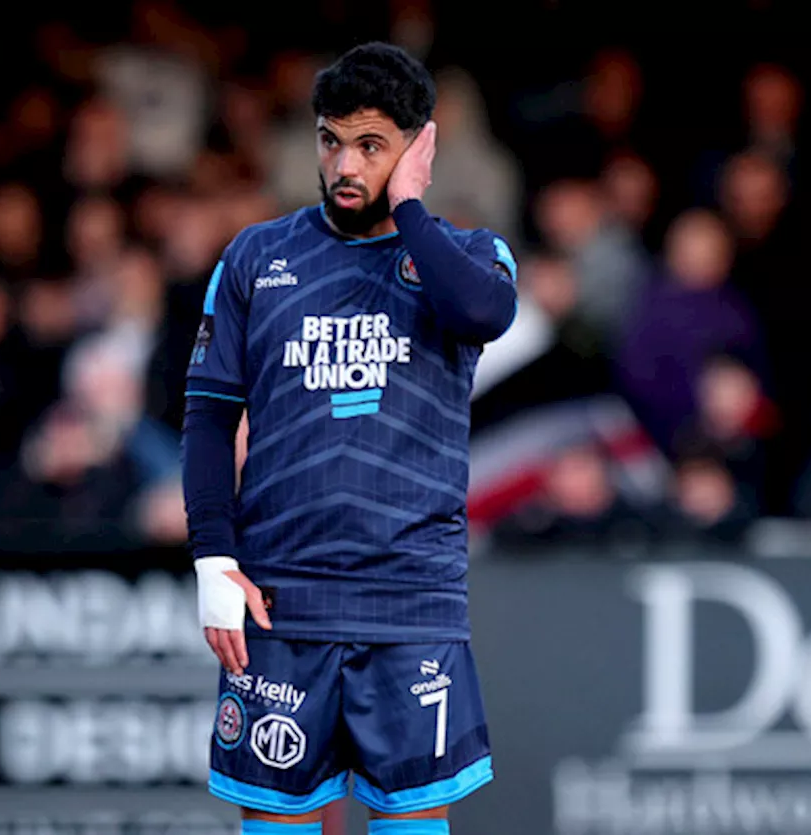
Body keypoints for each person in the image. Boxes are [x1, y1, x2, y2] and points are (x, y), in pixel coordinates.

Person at [181, 43, 517, 834]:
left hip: (410, 606)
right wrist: (212, 557)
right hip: (280, 605)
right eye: (331, 140)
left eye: (371, 145)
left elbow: (482, 315)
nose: (344, 164)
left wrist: (409, 208)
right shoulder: (256, 259)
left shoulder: (465, 256)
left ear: (418, 147)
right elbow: (206, 415)